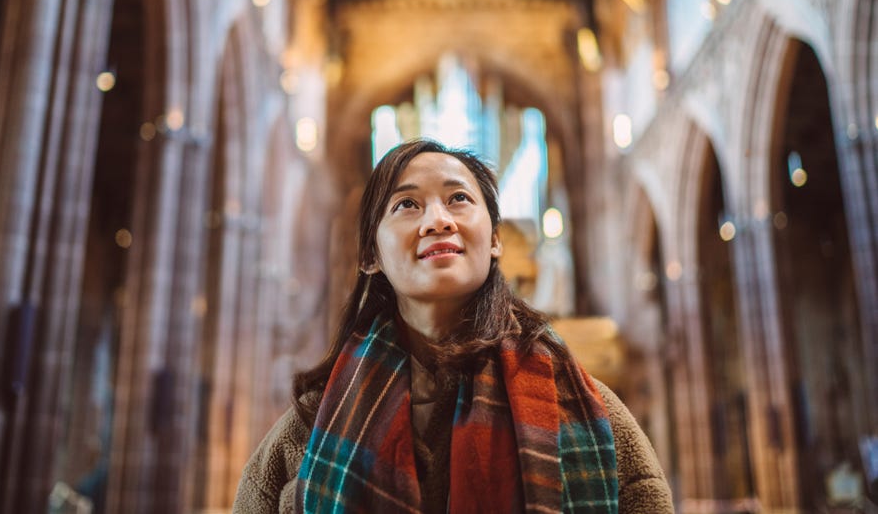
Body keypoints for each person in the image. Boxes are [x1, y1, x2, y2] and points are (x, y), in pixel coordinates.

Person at [235, 139, 674, 513]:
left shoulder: (583, 407)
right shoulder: (311, 424)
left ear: (496, 239)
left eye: (459, 198)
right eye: (407, 204)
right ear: (370, 255)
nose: (438, 220)